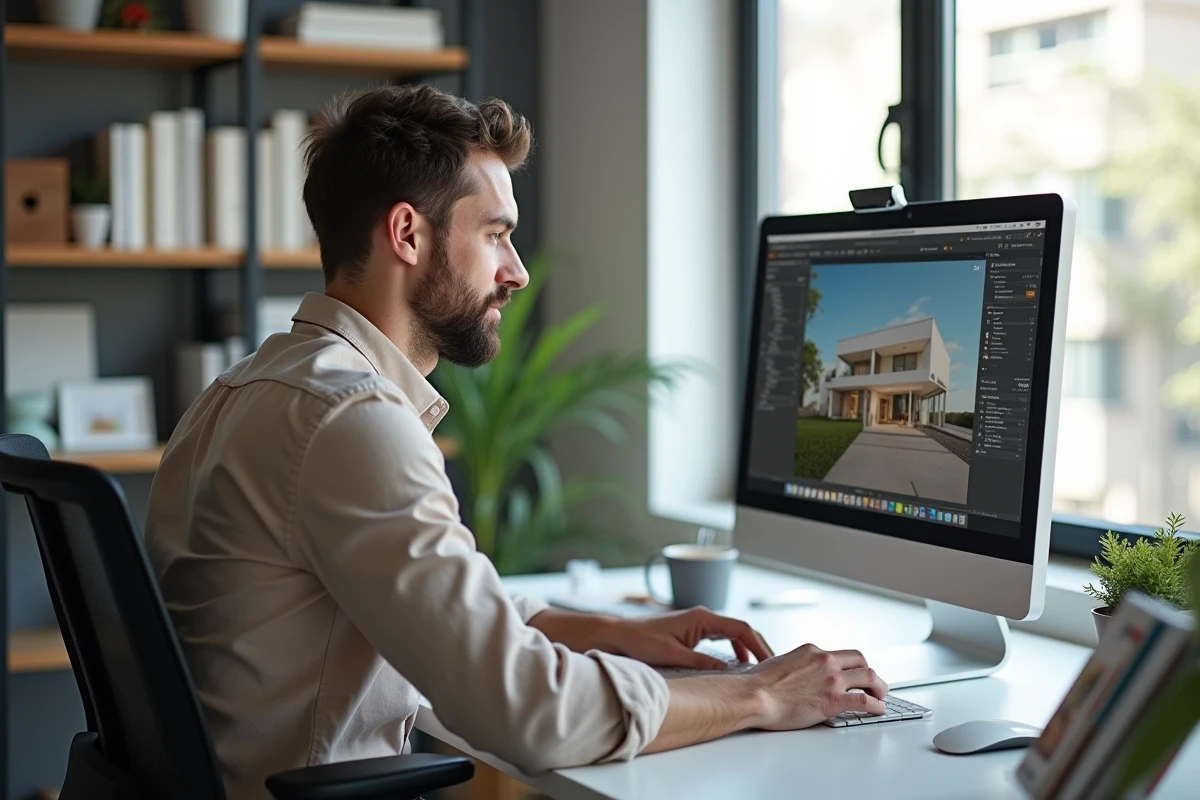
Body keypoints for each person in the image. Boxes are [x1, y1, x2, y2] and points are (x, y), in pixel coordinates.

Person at [144, 84, 887, 800]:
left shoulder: (244, 389)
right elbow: (532, 712)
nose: (518, 272)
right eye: (496, 234)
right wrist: (760, 692)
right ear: (407, 234)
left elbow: (438, 601)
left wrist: (610, 632)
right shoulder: (351, 419)